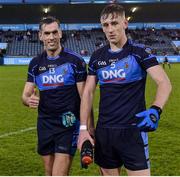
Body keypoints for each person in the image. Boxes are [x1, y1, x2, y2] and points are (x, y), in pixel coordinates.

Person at [78, 4, 172, 176]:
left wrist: (155, 109)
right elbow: (88, 93)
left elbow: (164, 82)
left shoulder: (139, 52)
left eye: (114, 23)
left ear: (125, 23)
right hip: (104, 132)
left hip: (133, 132)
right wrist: (84, 128)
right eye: (106, 25)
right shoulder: (97, 57)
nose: (110, 29)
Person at [22, 16, 87, 176]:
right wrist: (27, 100)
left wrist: (87, 128)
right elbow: (25, 94)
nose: (51, 37)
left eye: (54, 32)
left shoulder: (75, 61)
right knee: (49, 172)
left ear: (60, 33)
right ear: (40, 35)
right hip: (45, 123)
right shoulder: (35, 63)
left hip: (68, 123)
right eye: (47, 33)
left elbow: (86, 97)